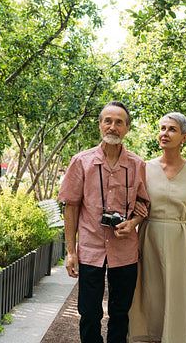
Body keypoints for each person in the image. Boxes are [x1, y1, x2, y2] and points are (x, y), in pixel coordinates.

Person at [57, 101, 150, 343]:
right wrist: (71, 251)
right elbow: (71, 207)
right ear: (100, 125)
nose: (113, 126)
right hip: (90, 249)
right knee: (89, 312)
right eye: (108, 121)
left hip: (125, 250)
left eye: (119, 122)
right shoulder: (81, 161)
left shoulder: (137, 164)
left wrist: (132, 223)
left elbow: (144, 204)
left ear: (127, 128)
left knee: (120, 313)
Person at [128, 112, 186, 343]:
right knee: (151, 293)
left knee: (178, 294)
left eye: (172, 129)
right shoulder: (144, 167)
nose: (164, 133)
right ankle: (150, 336)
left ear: (184, 137)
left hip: (182, 241)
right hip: (150, 238)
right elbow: (137, 206)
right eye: (162, 128)